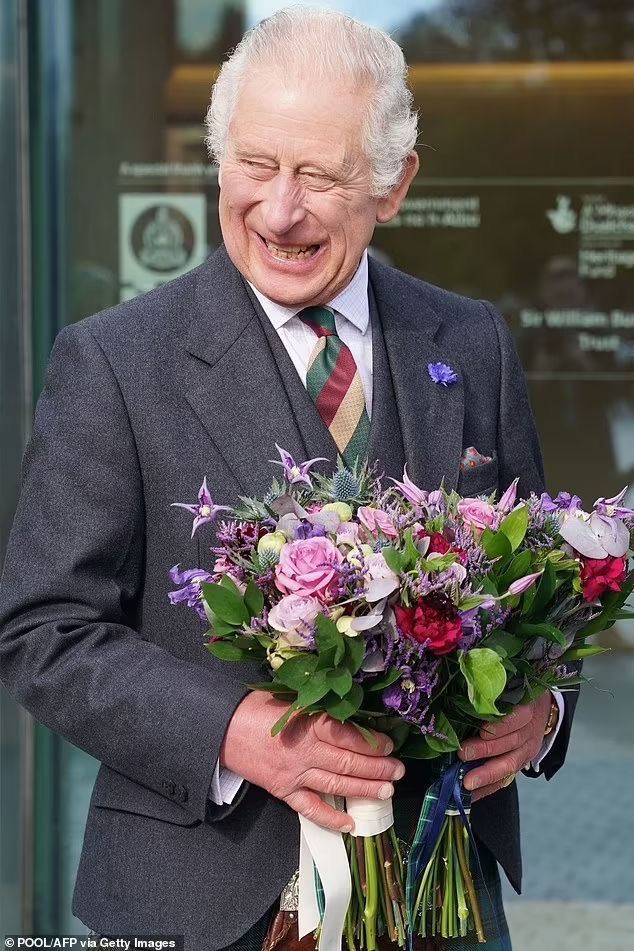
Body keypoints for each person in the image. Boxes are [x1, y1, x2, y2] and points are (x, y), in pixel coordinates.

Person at [0, 8, 574, 950]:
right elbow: (42, 631)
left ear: (394, 184)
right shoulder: (113, 361)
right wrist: (233, 729)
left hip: (443, 905)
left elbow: (541, 591)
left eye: (320, 175)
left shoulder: (471, 342)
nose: (279, 210)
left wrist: (545, 715)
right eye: (256, 165)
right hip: (200, 905)